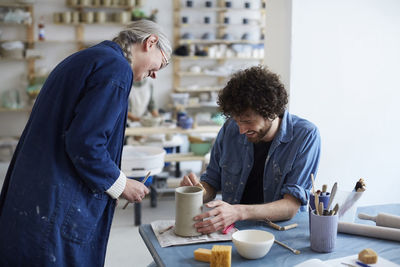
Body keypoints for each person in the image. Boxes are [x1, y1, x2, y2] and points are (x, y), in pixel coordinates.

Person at [0, 20, 171, 266]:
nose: (155, 74)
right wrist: (121, 184)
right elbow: (86, 144)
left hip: (36, 191)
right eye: (161, 64)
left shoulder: (86, 58)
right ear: (150, 42)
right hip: (56, 199)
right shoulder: (117, 68)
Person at [180, 66, 321, 234]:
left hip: (280, 232)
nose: (241, 130)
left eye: (247, 121)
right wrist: (197, 190)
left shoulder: (305, 135)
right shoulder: (230, 129)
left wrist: (238, 212)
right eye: (237, 121)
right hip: (233, 230)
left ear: (271, 111)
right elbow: (212, 182)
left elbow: (290, 206)